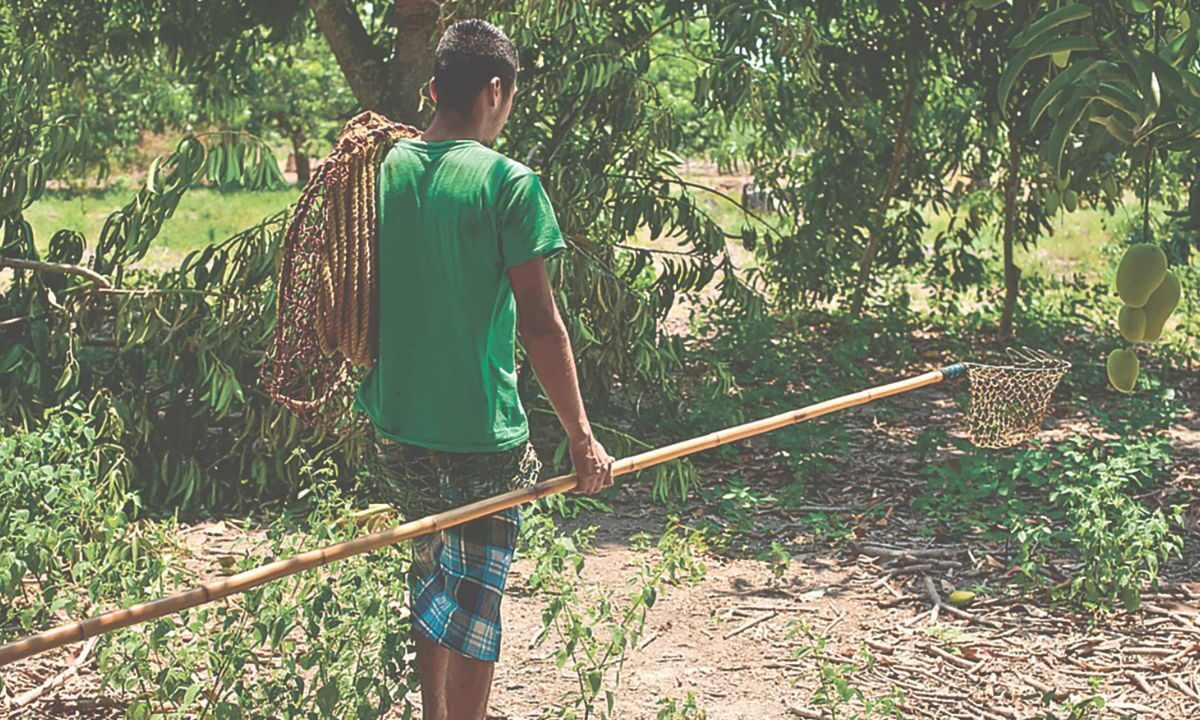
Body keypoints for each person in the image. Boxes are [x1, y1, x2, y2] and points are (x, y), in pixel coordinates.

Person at [353, 18, 614, 720]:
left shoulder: (389, 167)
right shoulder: (510, 182)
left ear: (435, 88)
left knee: (432, 582)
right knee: (472, 609)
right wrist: (582, 436)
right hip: (479, 436)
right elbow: (540, 324)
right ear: (495, 90)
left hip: (396, 426)